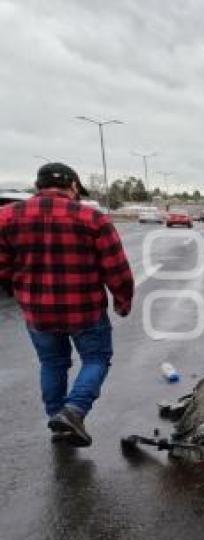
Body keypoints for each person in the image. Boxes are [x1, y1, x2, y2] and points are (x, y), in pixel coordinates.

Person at [0, 163, 134, 447]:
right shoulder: (92, 218)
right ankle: (72, 412)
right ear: (73, 186)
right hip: (84, 310)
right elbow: (116, 267)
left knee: (52, 363)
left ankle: (58, 419)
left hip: (38, 312)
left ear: (38, 186)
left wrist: (20, 287)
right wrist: (122, 300)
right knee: (96, 359)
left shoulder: (6, 217)